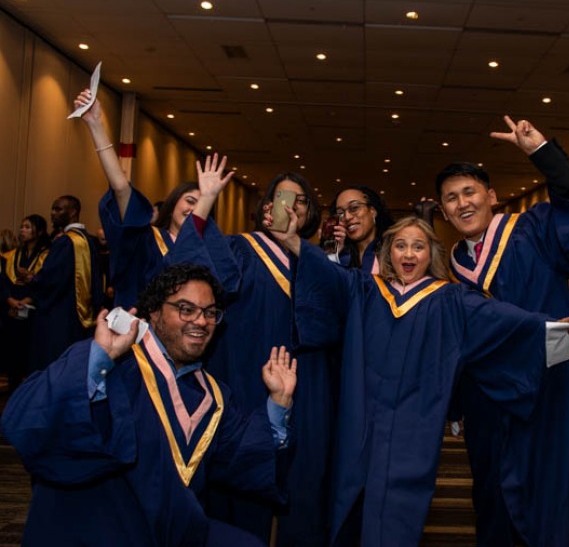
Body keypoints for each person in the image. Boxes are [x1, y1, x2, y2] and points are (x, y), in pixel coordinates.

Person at [272, 209, 569, 547]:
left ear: (431, 254)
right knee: (349, 502)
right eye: (401, 246)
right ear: (389, 252)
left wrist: (560, 330)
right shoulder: (365, 290)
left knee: (400, 510)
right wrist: (294, 241)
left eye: (418, 246)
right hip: (359, 421)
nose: (409, 254)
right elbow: (328, 277)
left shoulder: (451, 300)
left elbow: (505, 323)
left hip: (413, 426)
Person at [1, 263, 296, 547]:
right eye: (186, 309)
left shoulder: (214, 396)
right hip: (100, 527)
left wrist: (278, 401)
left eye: (210, 312)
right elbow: (31, 418)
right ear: (154, 312)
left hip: (171, 528)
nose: (201, 320)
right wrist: (99, 358)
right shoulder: (117, 365)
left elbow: (245, 457)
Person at [435, 116, 569, 546]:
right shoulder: (446, 268)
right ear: (442, 210)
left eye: (469, 192)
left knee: (561, 491)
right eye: (451, 198)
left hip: (555, 381)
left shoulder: (532, 229)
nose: (462, 203)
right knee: (495, 493)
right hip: (489, 398)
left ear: (491, 196)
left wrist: (542, 153)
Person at [205, 172, 332, 546]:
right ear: (265, 208)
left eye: (301, 200)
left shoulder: (317, 262)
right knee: (243, 464)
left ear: (309, 214)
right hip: (243, 372)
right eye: (281, 198)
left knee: (298, 474)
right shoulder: (239, 248)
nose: (290, 206)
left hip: (304, 382)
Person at [73, 89, 239, 309]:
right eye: (190, 200)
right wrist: (96, 125)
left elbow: (224, 293)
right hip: (136, 335)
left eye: (202, 205)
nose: (194, 209)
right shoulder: (146, 240)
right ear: (172, 205)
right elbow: (121, 188)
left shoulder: (212, 252)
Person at [25, 195, 103, 371]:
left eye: (58, 209)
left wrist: (33, 280)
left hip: (58, 315)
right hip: (80, 315)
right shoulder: (89, 240)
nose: (53, 213)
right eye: (53, 209)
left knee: (52, 365)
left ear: (73, 212)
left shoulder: (66, 242)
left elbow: (51, 280)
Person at [2, 214, 50, 390]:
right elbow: (4, 281)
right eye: (22, 227)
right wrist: (11, 300)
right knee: (11, 349)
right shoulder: (12, 255)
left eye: (28, 227)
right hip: (11, 307)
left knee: (29, 351)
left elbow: (46, 283)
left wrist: (26, 300)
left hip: (34, 309)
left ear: (39, 231)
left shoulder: (47, 256)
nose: (22, 230)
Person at [328, 185, 394, 271]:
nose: (347, 217)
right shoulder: (341, 256)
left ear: (372, 211)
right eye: (340, 213)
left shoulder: (393, 249)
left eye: (354, 208)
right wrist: (333, 253)